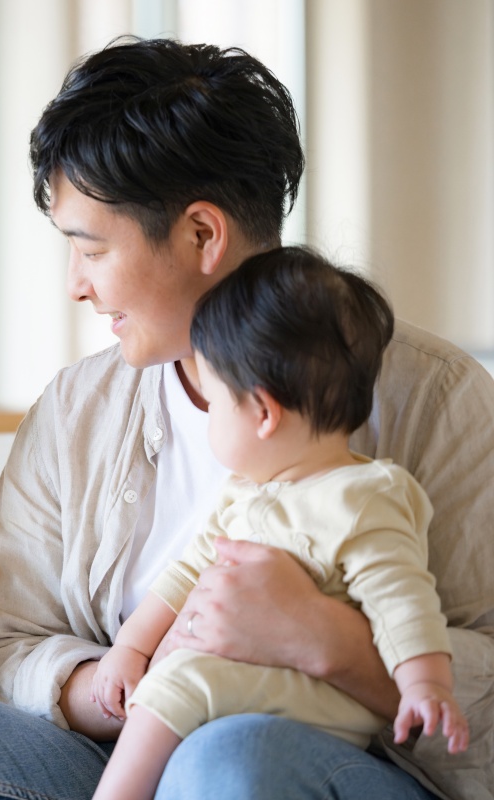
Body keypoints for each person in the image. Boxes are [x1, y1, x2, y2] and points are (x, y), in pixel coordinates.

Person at [0, 38, 494, 800]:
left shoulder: (436, 398)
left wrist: (328, 643)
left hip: (323, 764)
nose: (76, 286)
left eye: (90, 249)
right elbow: (1, 645)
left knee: (225, 759)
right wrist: (113, 684)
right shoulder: (75, 410)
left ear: (202, 234)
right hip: (122, 756)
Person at [91, 247, 469, 800]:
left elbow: (403, 599)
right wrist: (129, 648)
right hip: (255, 685)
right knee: (181, 682)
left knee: (182, 680)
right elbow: (185, 573)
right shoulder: (245, 492)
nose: (210, 421)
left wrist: (426, 684)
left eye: (216, 404)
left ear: (264, 414)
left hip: (322, 702)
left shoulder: (364, 497)